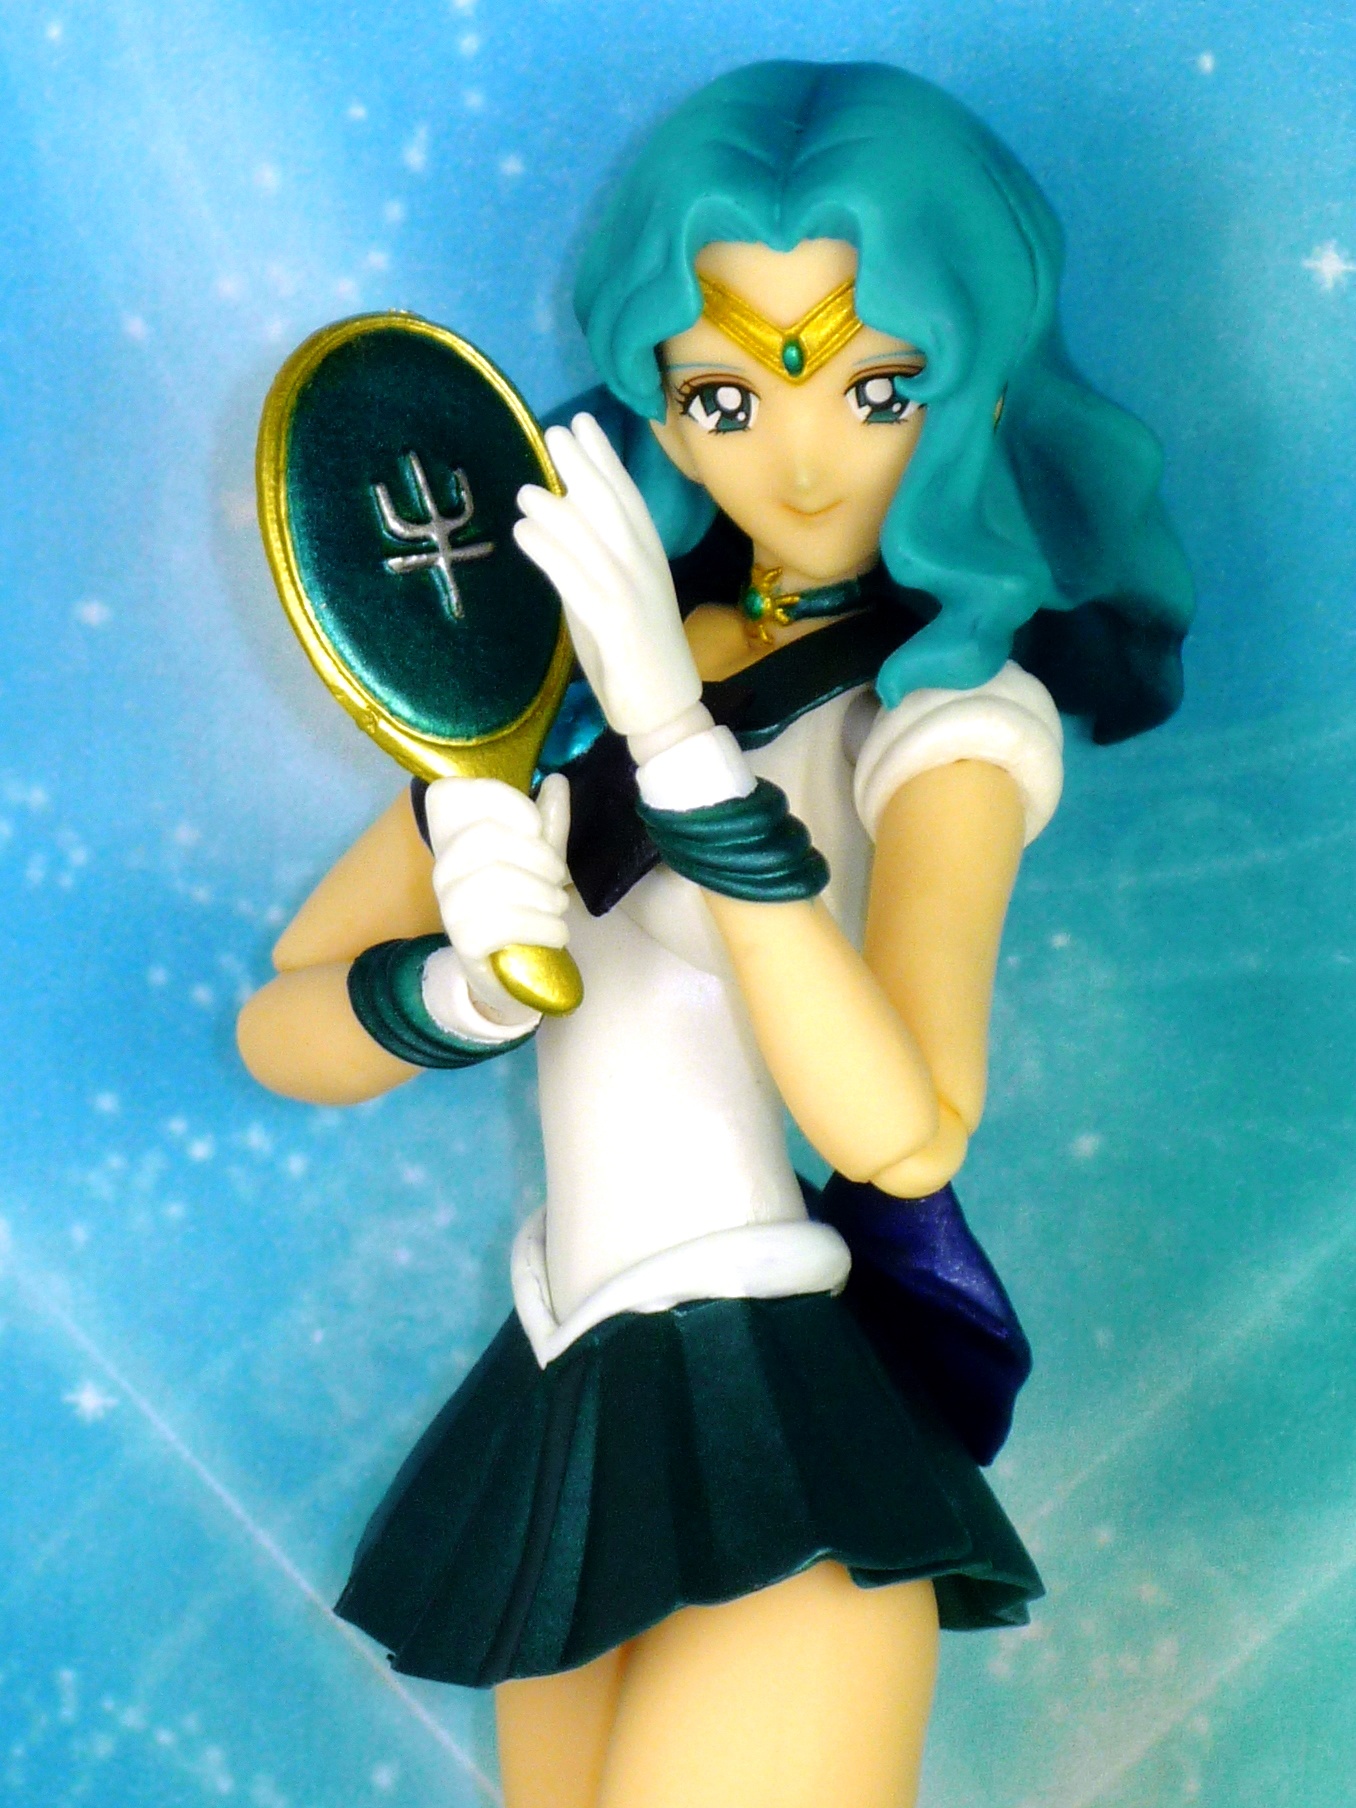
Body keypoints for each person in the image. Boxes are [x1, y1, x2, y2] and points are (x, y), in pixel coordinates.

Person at [237, 61, 1191, 1808]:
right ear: (660, 409)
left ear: (973, 384)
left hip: (777, 1417)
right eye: (726, 396)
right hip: (566, 1388)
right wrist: (457, 989)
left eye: (874, 385)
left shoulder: (939, 720)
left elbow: (904, 1127)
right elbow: (283, 1023)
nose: (801, 459)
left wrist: (683, 751)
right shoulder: (571, 660)